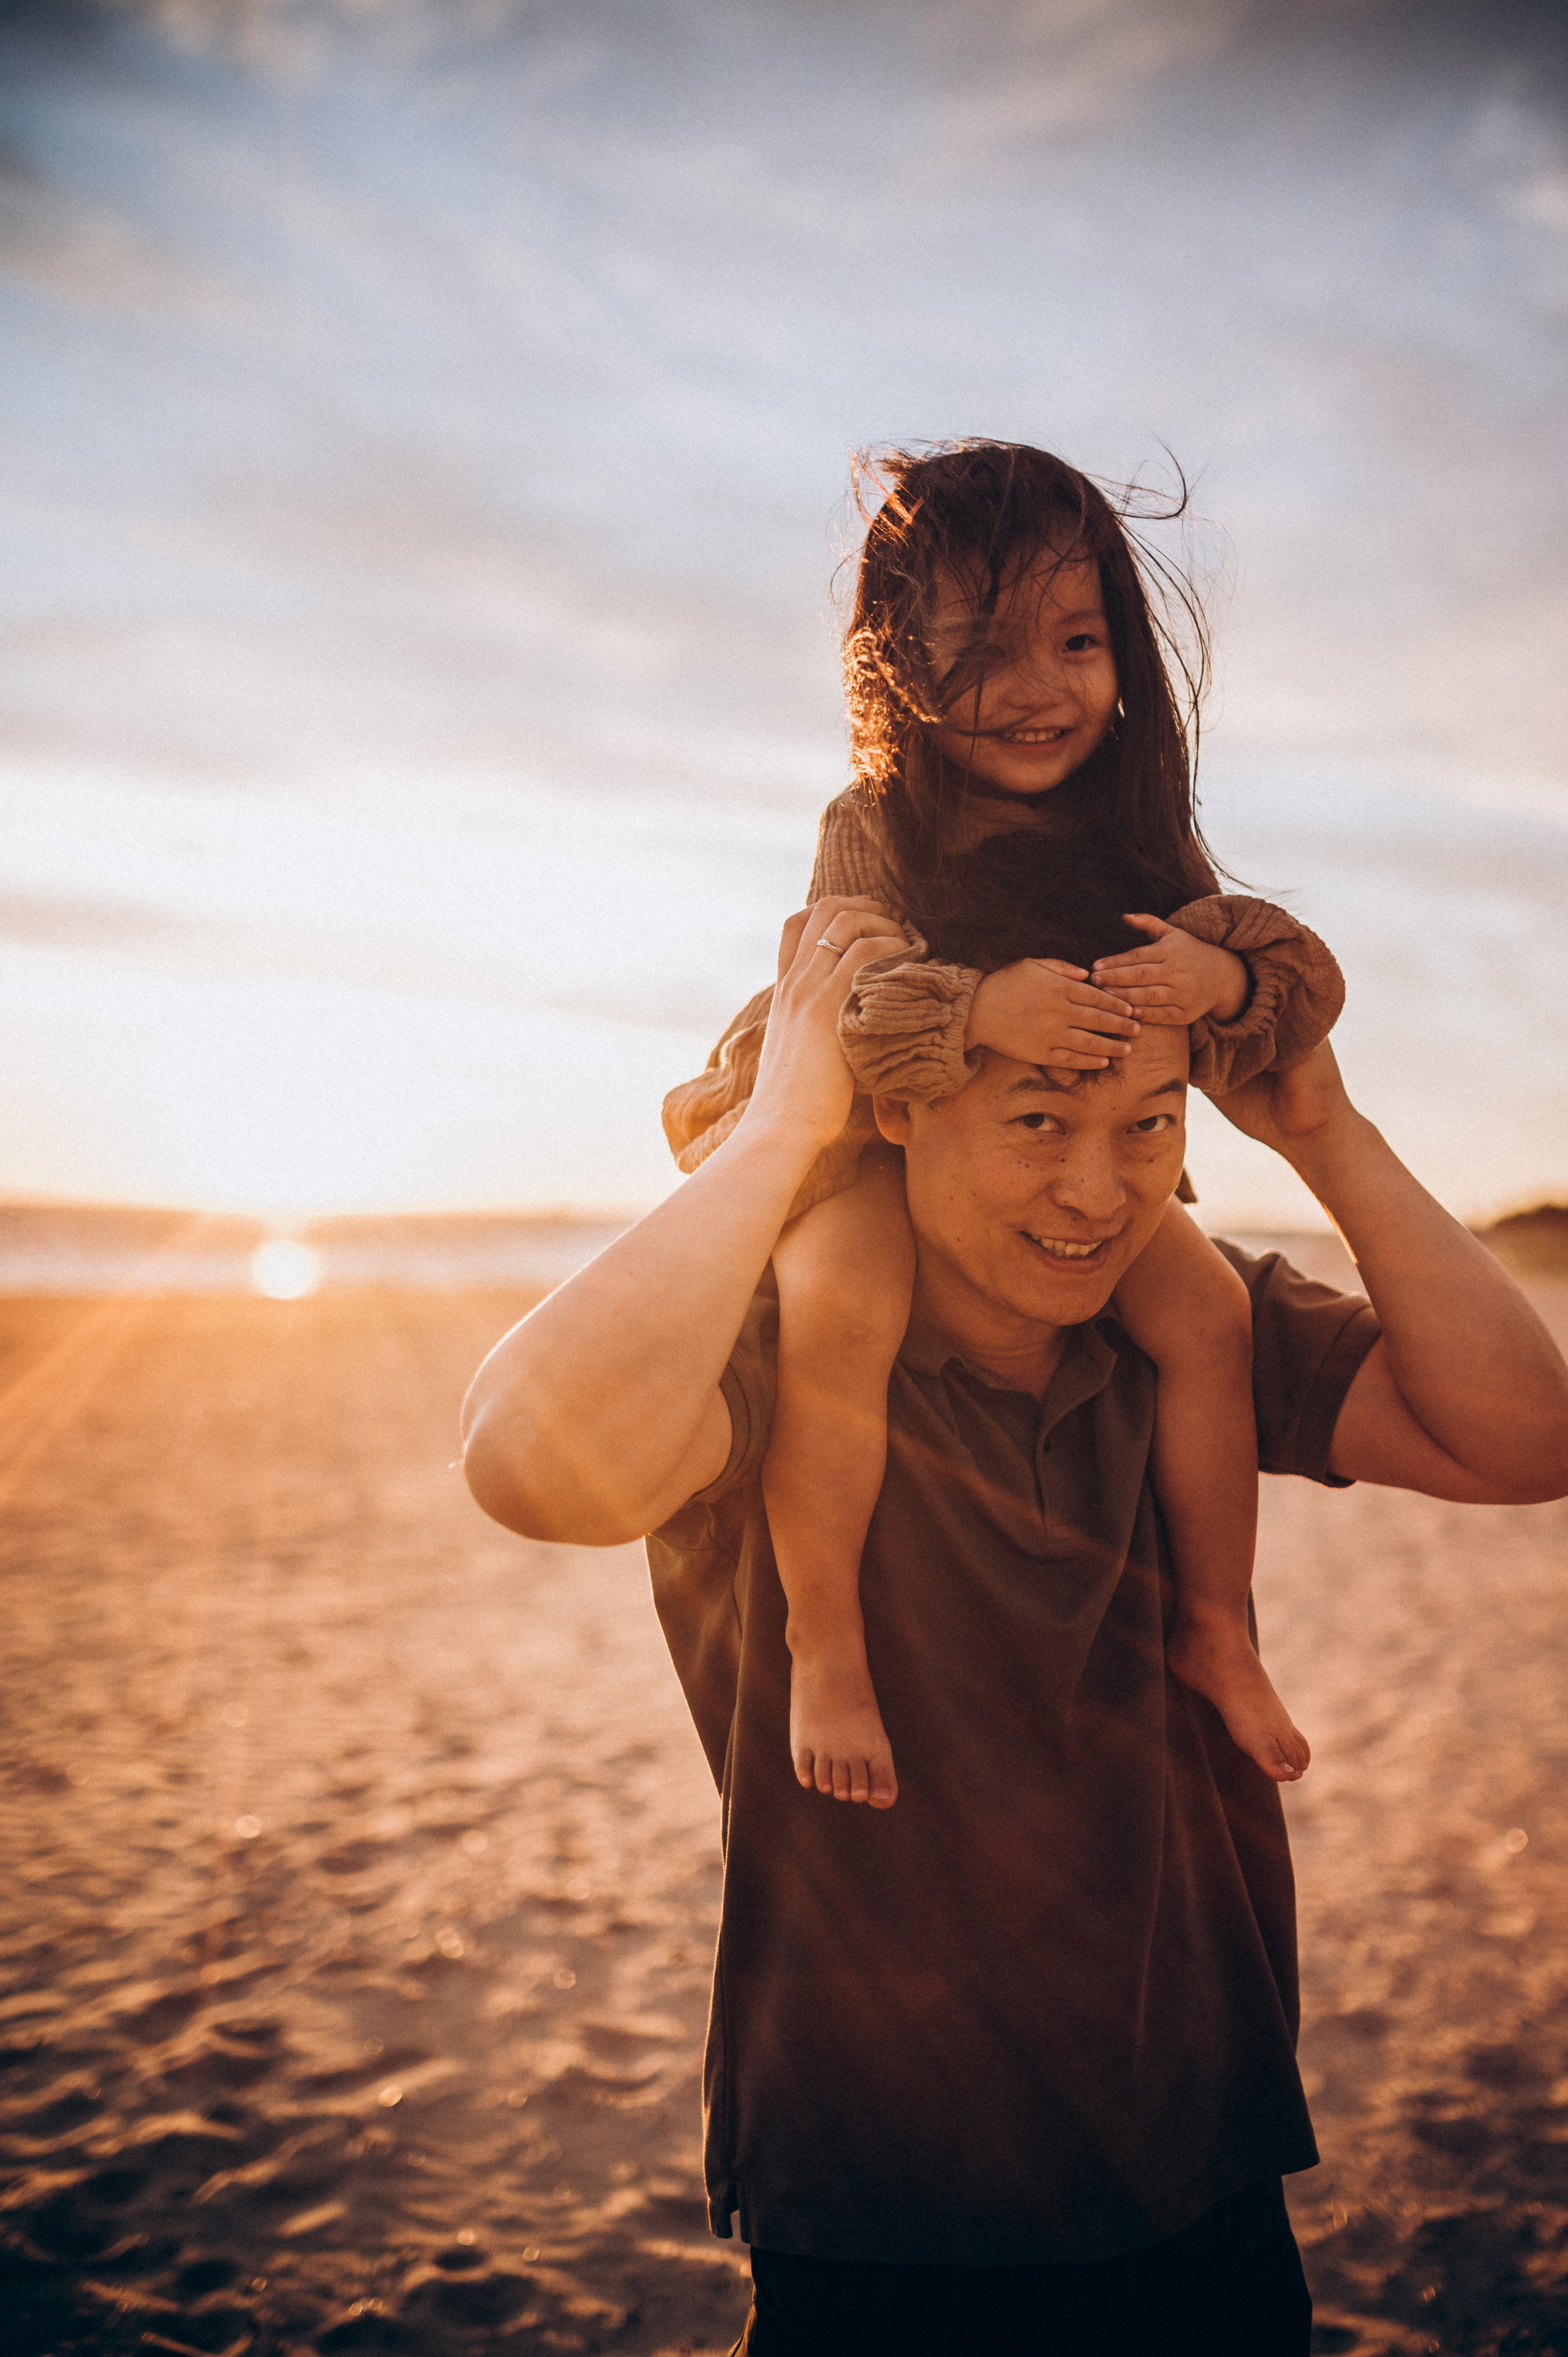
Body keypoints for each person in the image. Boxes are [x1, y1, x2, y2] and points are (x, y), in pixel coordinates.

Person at [463, 892, 1568, 2356]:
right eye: (1037, 1122)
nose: (1100, 1195)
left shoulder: (1196, 1325)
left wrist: (1320, 1126)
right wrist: (787, 1124)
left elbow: (1524, 1441)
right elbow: (525, 1465)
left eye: (1150, 1128)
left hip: (1201, 2150)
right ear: (908, 1115)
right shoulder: (768, 1352)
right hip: (883, 2192)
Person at [662, 442, 1344, 1808]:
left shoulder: (1138, 833)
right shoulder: (875, 825)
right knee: (838, 1309)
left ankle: (1214, 1619)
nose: (1037, 690)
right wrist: (976, 1010)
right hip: (870, 1146)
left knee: (1203, 1320)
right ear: (896, 667)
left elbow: (1295, 973)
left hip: (1080, 1165)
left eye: (1077, 642)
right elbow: (835, 1007)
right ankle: (829, 1636)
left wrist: (1225, 978)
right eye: (979, 653)